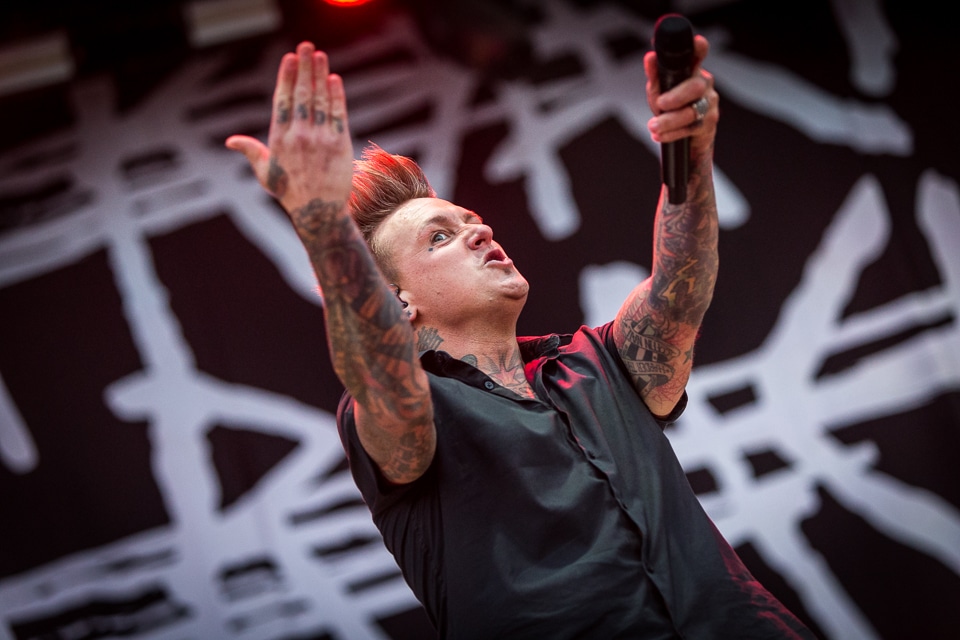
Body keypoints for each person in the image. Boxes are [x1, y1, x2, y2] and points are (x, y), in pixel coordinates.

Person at [226, 30, 815, 640]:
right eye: (439, 238)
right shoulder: (403, 407)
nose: (478, 232)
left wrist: (690, 151)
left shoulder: (596, 362)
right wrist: (325, 227)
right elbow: (379, 365)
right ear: (398, 301)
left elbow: (679, 287)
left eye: (471, 221)